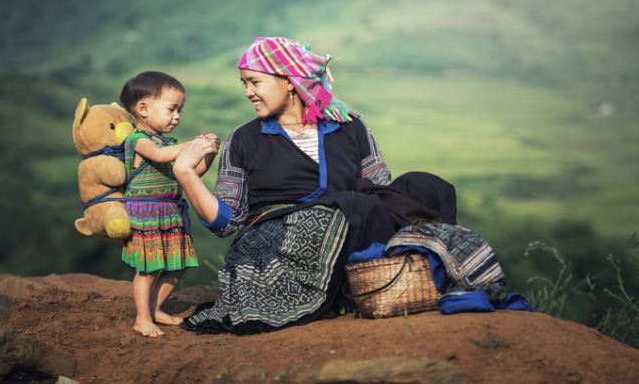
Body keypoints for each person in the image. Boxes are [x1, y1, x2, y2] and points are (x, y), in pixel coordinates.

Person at [173, 37, 458, 334]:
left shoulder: (351, 127)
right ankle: (342, 293)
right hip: (278, 241)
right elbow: (226, 223)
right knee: (350, 205)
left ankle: (424, 277)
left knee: (423, 186)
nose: (248, 92)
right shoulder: (244, 139)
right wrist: (186, 174)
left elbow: (382, 195)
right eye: (244, 83)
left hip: (352, 223)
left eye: (255, 82)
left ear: (289, 81)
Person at [118, 71, 220, 337]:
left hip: (171, 212)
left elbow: (190, 173)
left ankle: (156, 309)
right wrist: (193, 144)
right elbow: (160, 155)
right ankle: (142, 318)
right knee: (149, 268)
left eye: (180, 110)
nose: (177, 116)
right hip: (147, 213)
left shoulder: (169, 143)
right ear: (143, 109)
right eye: (172, 109)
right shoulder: (138, 140)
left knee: (177, 264)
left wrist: (207, 154)